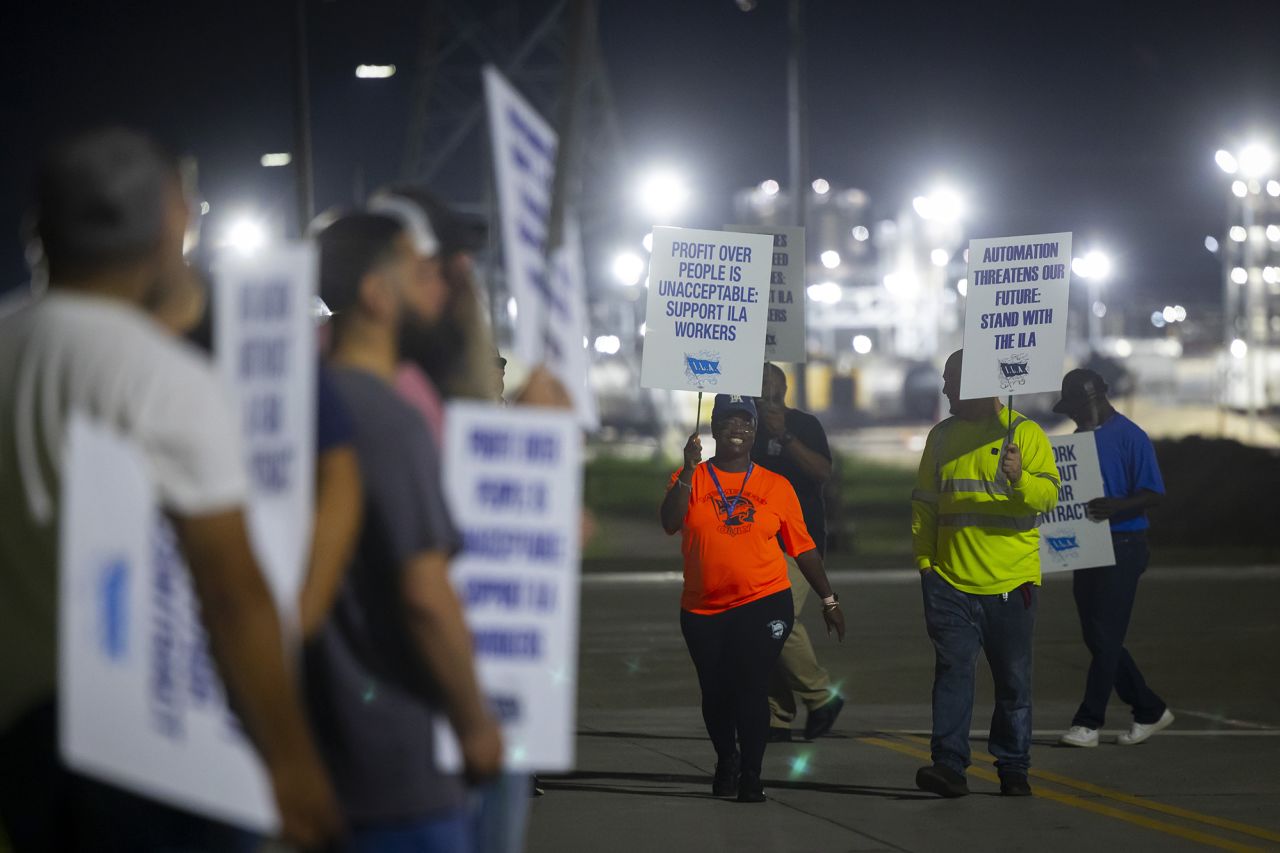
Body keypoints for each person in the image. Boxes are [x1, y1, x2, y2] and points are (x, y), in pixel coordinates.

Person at [0, 127, 340, 849]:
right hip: (156, 752)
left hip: (24, 748)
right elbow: (230, 591)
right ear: (174, 221)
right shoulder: (163, 380)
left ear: (39, 229)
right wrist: (291, 760)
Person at [308, 212, 503, 850]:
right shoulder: (388, 419)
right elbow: (424, 594)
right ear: (375, 292)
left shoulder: (316, 398)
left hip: (332, 744)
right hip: (399, 761)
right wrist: (475, 724)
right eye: (421, 274)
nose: (440, 287)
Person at [661, 394, 845, 803]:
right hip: (703, 608)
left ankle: (752, 774)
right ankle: (727, 758)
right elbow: (670, 522)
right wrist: (689, 471)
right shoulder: (690, 478)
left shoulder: (775, 486)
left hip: (763, 600)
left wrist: (828, 599)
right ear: (714, 429)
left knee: (751, 685)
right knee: (716, 691)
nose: (738, 430)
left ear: (756, 430)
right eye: (729, 422)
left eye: (746, 422)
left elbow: (804, 548)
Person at [910, 349, 1059, 798]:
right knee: (953, 672)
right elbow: (924, 506)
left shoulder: (1025, 435)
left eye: (951, 379)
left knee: (1013, 680)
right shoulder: (940, 437)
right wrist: (926, 566)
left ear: (975, 382)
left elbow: (1048, 497)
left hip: (1010, 583)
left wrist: (1020, 479)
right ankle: (949, 766)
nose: (944, 389)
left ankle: (1013, 766)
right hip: (950, 583)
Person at [1052, 369, 1174, 748]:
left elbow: (1154, 492)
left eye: (1071, 408)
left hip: (1124, 544)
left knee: (1104, 635)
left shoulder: (1130, 436)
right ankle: (1149, 709)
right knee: (1098, 636)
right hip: (1088, 545)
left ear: (1089, 401)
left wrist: (1119, 507)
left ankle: (1088, 722)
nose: (1069, 416)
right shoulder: (1076, 442)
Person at [752, 363, 844, 742]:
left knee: (780, 619)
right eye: (758, 387)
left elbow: (822, 472)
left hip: (797, 541)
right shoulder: (747, 429)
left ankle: (821, 696)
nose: (764, 393)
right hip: (756, 540)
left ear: (784, 389)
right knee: (760, 627)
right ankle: (778, 715)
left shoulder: (804, 425)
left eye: (770, 386)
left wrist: (784, 436)